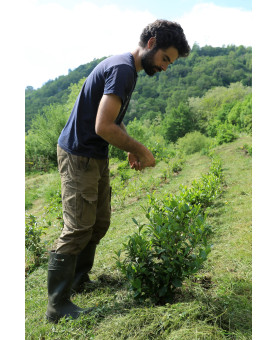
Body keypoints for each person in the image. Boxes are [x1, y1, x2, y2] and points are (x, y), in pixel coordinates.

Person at [45, 19, 190, 323]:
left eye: (170, 63)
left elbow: (112, 118)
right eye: (165, 58)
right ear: (151, 43)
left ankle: (78, 281)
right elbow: (102, 126)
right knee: (77, 227)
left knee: (99, 223)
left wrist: (128, 147)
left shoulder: (128, 70)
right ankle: (57, 307)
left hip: (95, 155)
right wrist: (141, 150)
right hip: (78, 154)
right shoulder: (123, 69)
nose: (165, 67)